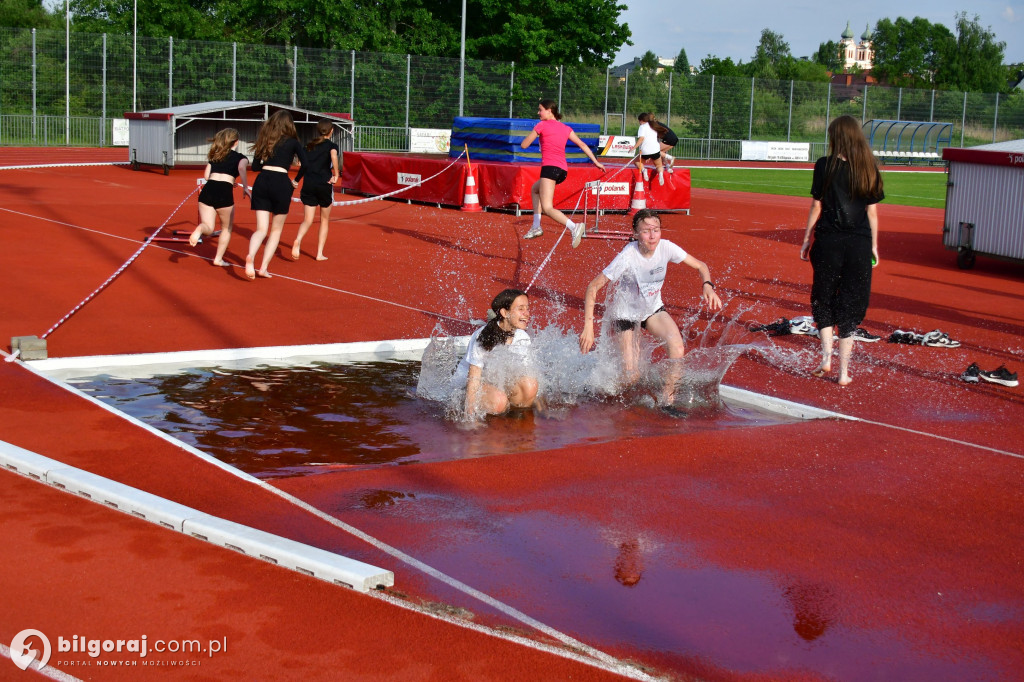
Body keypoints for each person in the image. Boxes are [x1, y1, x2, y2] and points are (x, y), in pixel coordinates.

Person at [579, 209, 723, 402]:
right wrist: (588, 327)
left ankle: (667, 400)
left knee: (677, 348)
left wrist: (708, 285)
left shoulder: (666, 247)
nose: (652, 235)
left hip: (652, 310)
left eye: (656, 229)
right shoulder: (628, 256)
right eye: (646, 231)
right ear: (636, 234)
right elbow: (593, 286)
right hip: (626, 316)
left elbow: (700, 265)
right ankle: (598, 392)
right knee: (631, 376)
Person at [799, 115, 884, 386]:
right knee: (851, 302)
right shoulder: (869, 167)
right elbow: (872, 213)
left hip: (828, 241)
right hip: (858, 243)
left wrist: (806, 238)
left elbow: (817, 206)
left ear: (837, 137)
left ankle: (826, 358)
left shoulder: (825, 165)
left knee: (823, 297)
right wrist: (873, 246)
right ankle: (844, 372)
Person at [519, 99, 605, 246]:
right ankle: (536, 226)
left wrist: (536, 132)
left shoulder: (541, 125)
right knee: (535, 189)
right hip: (562, 170)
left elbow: (524, 145)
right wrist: (596, 162)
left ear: (549, 111)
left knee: (547, 207)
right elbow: (583, 145)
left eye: (540, 110)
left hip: (550, 168)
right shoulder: (566, 128)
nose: (538, 113)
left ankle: (574, 227)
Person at [452, 289, 538, 419]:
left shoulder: (523, 337)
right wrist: (469, 416)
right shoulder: (483, 337)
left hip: (494, 384)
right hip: (468, 386)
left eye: (527, 308)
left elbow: (524, 374)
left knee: (530, 385)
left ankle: (516, 420)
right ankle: (493, 426)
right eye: (521, 309)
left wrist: (541, 403)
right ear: (504, 313)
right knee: (499, 401)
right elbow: (474, 378)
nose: (527, 314)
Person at [246, 110, 307, 280]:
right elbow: (306, 164)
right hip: (281, 181)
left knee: (261, 229)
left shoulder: (265, 141)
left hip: (262, 181)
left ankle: (251, 255)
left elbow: (256, 167)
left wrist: (268, 160)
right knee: (276, 229)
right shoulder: (293, 142)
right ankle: (263, 267)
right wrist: (295, 181)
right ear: (289, 125)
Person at [188, 128, 250, 265]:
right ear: (236, 142)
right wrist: (245, 187)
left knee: (208, 227)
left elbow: (206, 176)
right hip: (224, 192)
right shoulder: (241, 158)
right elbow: (241, 168)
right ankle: (218, 259)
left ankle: (199, 229)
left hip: (208, 189)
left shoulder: (214, 156)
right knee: (226, 228)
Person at [291, 120, 340, 261]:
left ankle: (298, 239)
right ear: (331, 131)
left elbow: (301, 163)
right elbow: (333, 156)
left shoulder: (309, 146)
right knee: (324, 220)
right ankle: (319, 254)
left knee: (307, 219)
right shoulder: (332, 146)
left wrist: (296, 179)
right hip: (324, 183)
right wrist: (336, 174)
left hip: (309, 184)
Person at [631, 113, 665, 185]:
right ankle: (661, 174)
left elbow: (641, 139)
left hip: (645, 151)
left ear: (641, 120)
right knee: (659, 165)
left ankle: (644, 170)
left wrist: (634, 147)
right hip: (655, 149)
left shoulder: (642, 127)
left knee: (636, 162)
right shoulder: (653, 126)